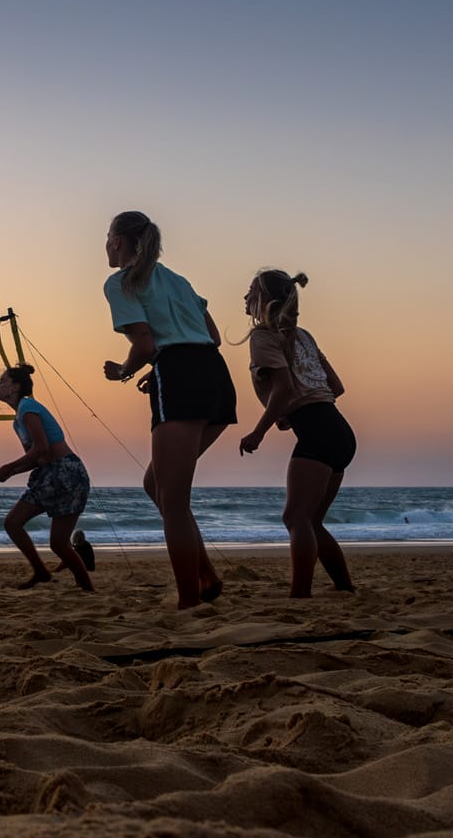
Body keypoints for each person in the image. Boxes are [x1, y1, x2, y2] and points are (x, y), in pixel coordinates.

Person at [102, 210, 236, 610]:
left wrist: (125, 371)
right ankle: (206, 574)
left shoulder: (121, 281)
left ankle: (188, 602)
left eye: (108, 239)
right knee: (157, 487)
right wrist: (159, 366)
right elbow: (211, 336)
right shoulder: (178, 280)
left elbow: (143, 346)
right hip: (213, 375)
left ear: (117, 241)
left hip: (180, 376)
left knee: (173, 501)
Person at [236, 270, 357, 597]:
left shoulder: (263, 336)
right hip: (339, 430)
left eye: (249, 292)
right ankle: (344, 588)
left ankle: (300, 594)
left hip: (317, 431)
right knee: (312, 520)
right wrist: (293, 409)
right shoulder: (304, 335)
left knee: (295, 517)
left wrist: (258, 432)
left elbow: (285, 388)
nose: (244, 298)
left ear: (263, 299)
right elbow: (336, 387)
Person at [0, 365, 94, 591]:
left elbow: (42, 447)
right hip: (56, 473)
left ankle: (60, 578)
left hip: (65, 472)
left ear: (16, 386)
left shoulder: (27, 407)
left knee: (17, 525)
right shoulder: (17, 420)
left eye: (2, 381)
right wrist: (11, 472)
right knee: (53, 541)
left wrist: (9, 466)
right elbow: (36, 458)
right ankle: (80, 586)